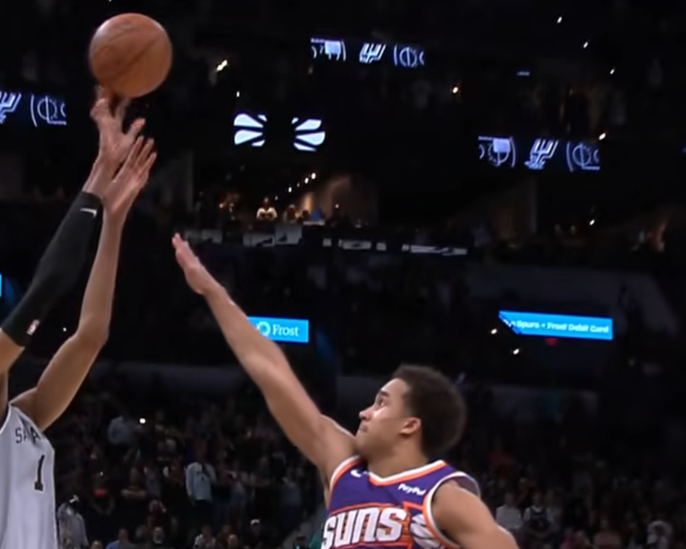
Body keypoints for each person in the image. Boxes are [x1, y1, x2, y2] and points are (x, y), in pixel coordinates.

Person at [171, 234, 518, 549]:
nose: (364, 413)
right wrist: (213, 293)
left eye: (381, 403)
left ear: (409, 425)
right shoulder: (343, 465)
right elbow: (272, 373)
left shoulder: (443, 498)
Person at [0, 93, 157, 549]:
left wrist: (113, 222)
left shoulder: (23, 419)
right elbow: (46, 288)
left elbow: (92, 333)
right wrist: (99, 173)